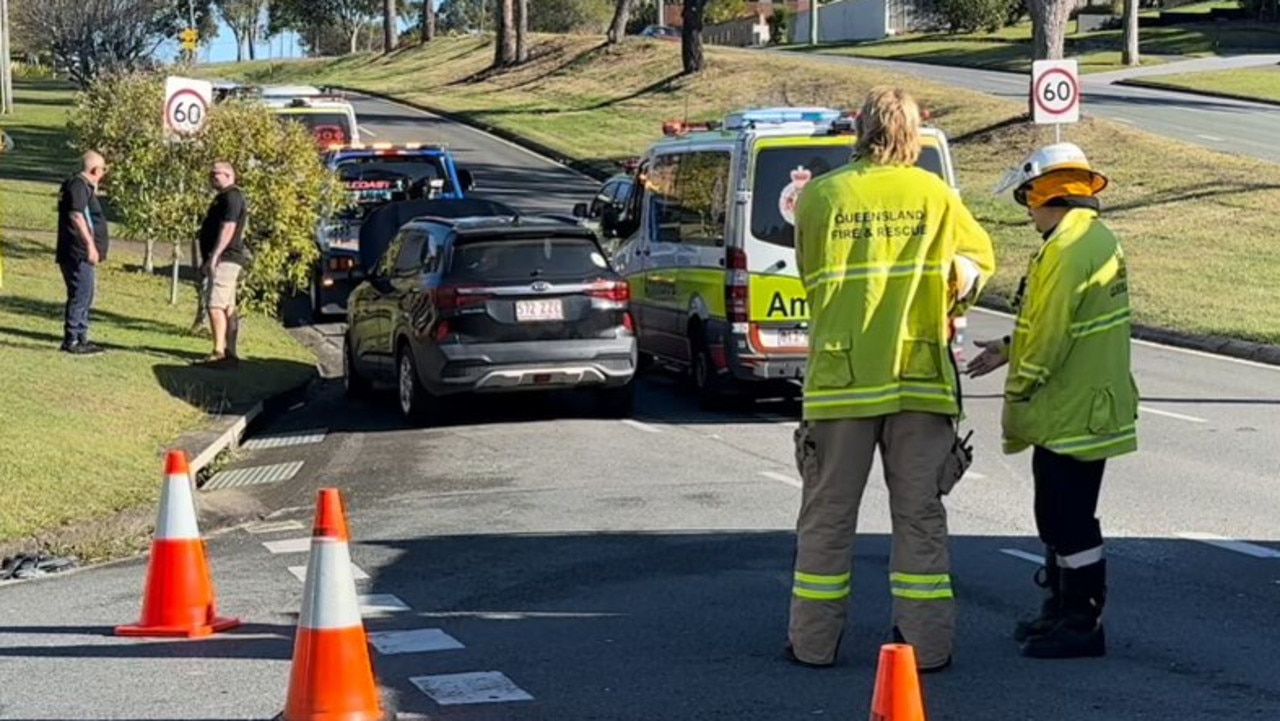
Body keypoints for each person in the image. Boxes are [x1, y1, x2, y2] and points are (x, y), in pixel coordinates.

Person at [786, 87, 996, 673]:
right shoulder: (935, 194)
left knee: (827, 515)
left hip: (841, 380)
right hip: (917, 378)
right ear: (914, 132)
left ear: (859, 128)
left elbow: (810, 274)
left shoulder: (821, 196)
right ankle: (925, 647)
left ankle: (813, 643)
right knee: (919, 514)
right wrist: (951, 289)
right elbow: (978, 266)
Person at [967, 142, 1138, 659]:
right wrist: (1005, 347)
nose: (1028, 213)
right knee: (1061, 512)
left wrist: (1022, 382)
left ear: (1048, 194)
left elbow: (1051, 332)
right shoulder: (1088, 238)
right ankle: (1063, 610)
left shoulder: (1067, 250)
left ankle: (1082, 623)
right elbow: (1048, 321)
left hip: (1073, 408)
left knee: (1067, 517)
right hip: (1081, 405)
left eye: (1028, 201)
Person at [55, 151, 110, 355]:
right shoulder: (78, 186)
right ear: (95, 170)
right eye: (103, 169)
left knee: (85, 293)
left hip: (77, 251)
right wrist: (90, 246)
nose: (104, 173)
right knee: (81, 293)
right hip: (78, 251)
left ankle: (81, 335)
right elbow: (77, 216)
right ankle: (73, 339)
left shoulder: (80, 186)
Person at [197, 161, 250, 366]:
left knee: (215, 304)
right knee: (228, 307)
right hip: (225, 258)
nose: (212, 177)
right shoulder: (225, 197)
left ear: (228, 175)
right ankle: (230, 352)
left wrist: (215, 256)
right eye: (211, 174)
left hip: (226, 258)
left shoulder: (232, 197)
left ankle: (219, 351)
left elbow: (228, 227)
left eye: (215, 174)